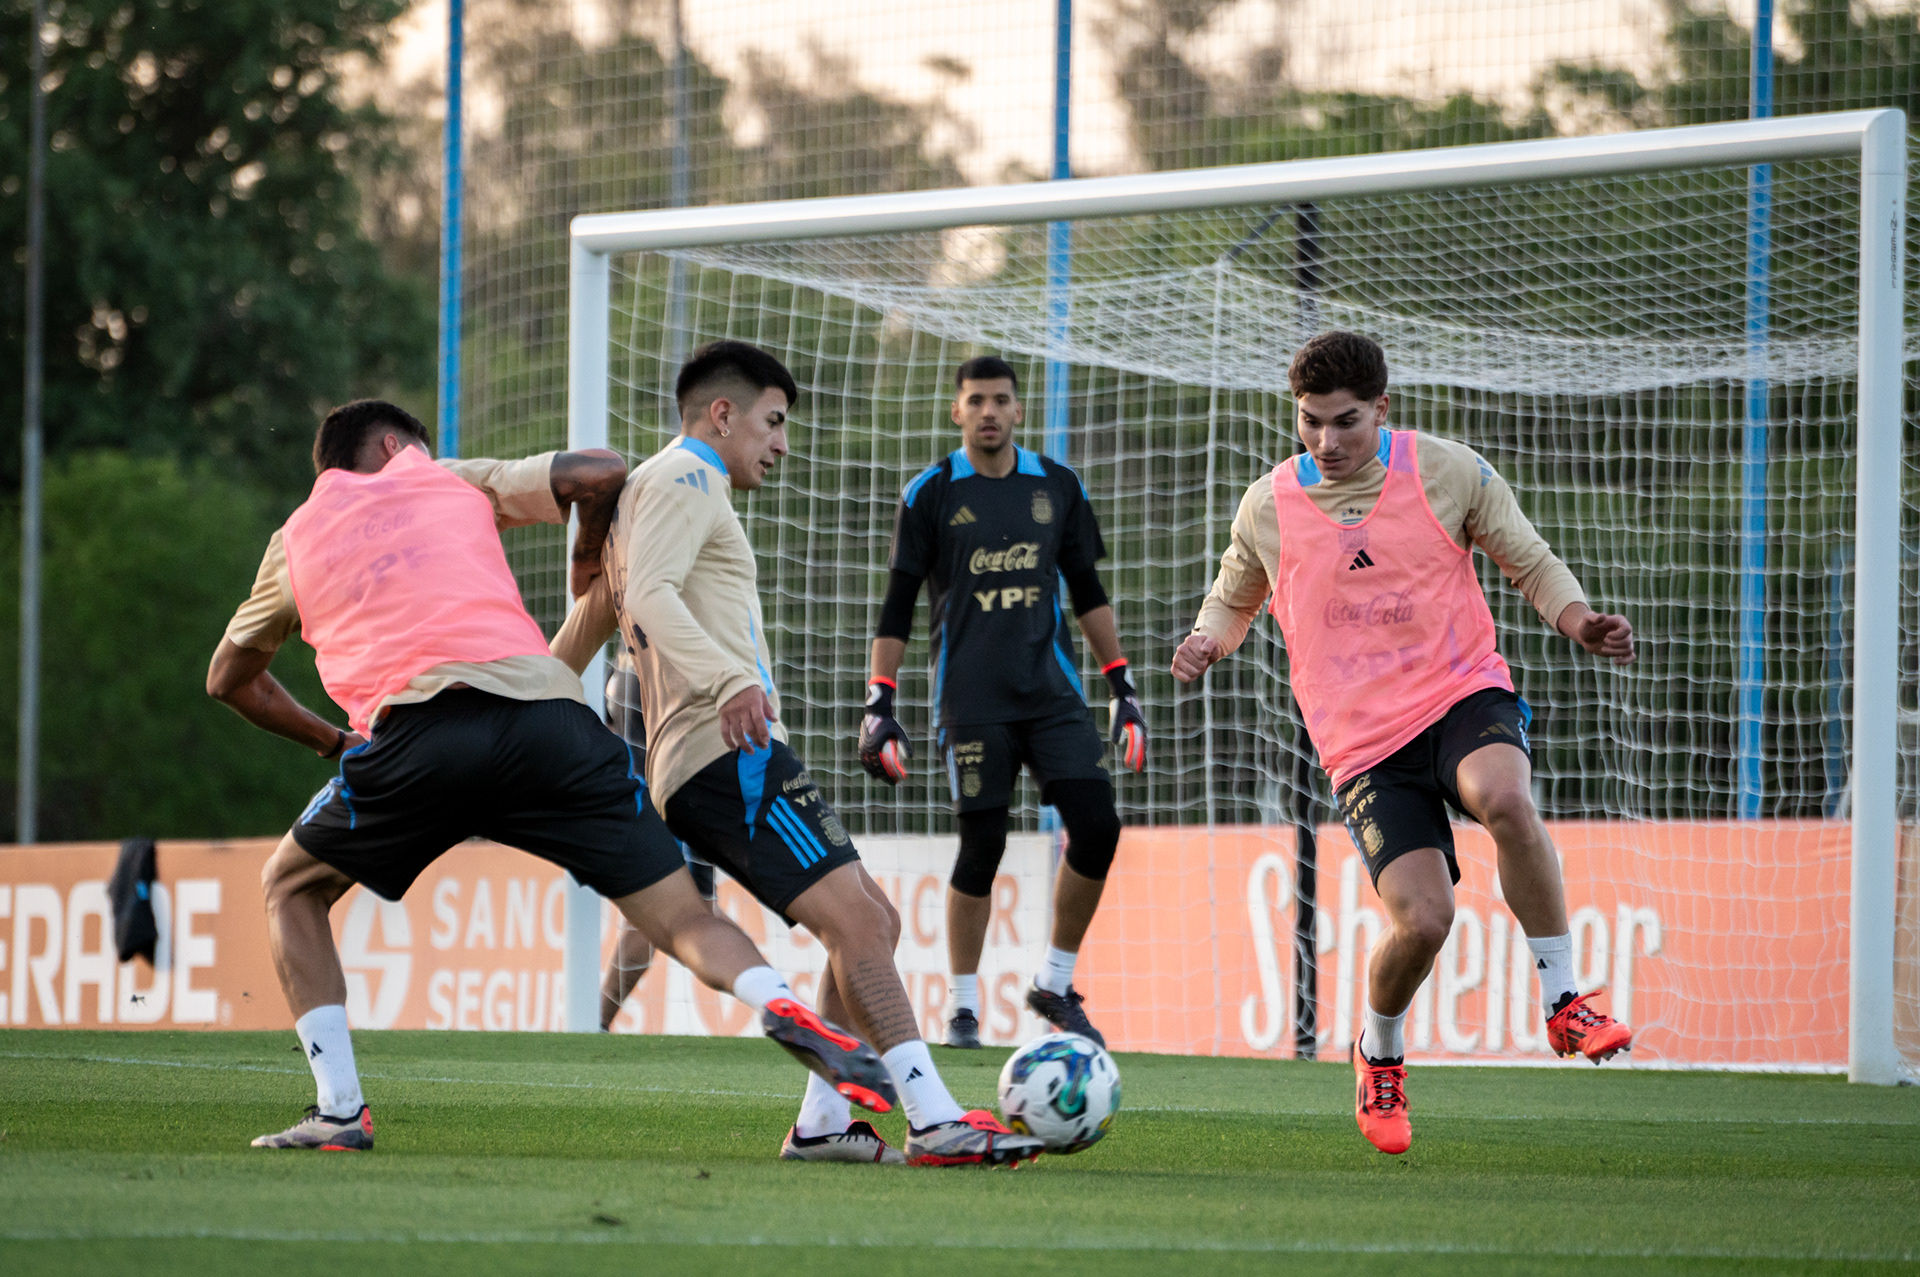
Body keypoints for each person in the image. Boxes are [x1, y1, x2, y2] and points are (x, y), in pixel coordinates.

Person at [208, 399, 891, 1152]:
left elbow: (231, 679)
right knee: (684, 916)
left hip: (418, 734)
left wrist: (330, 740)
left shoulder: (295, 537)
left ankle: (339, 1109)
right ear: (397, 444)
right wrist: (584, 554)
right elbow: (602, 471)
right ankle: (781, 1002)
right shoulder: (451, 480)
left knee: (290, 886)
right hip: (552, 720)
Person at [552, 341, 1044, 1168]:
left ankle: (826, 1122)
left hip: (713, 754)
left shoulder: (646, 500)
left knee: (871, 922)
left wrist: (507, 695)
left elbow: (584, 627)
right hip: (726, 750)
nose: (780, 443)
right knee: (857, 921)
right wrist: (727, 680)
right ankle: (935, 1117)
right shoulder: (684, 478)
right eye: (772, 422)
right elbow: (646, 598)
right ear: (723, 415)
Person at [1170, 332, 1635, 1156]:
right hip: (1363, 745)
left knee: (1505, 798)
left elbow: (1529, 560)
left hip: (1461, 692)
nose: (1325, 441)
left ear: (1382, 408)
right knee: (1422, 921)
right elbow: (1231, 596)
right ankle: (1378, 1051)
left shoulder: (1447, 470)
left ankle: (1565, 999)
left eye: (1345, 421)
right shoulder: (1268, 505)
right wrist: (1207, 640)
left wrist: (1579, 620)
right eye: (1309, 422)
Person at [857, 355, 1145, 1051]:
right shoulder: (929, 492)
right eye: (976, 400)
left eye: (1001, 400)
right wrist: (879, 700)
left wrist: (1123, 687)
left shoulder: (1057, 486)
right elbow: (897, 603)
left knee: (1098, 824)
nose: (989, 410)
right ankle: (962, 1009)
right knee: (983, 842)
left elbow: (1088, 592)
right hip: (972, 701)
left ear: (1018, 411)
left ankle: (1055, 982)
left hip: (1053, 698)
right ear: (956, 411)